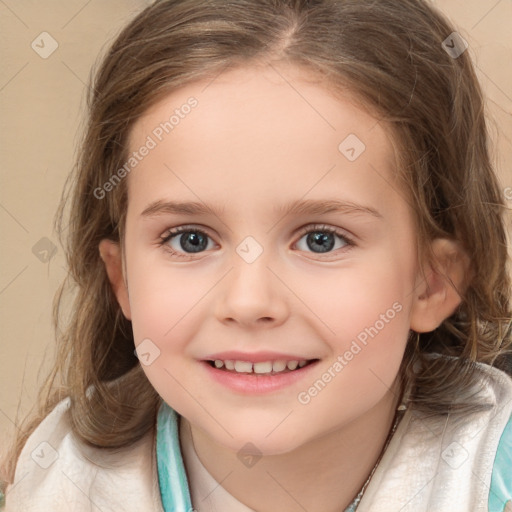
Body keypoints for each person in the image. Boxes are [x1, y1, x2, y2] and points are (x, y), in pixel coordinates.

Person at [1, 0, 511, 510]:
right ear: (123, 279)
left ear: (433, 281)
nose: (248, 302)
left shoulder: (492, 476)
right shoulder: (54, 484)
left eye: (321, 240)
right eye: (191, 239)